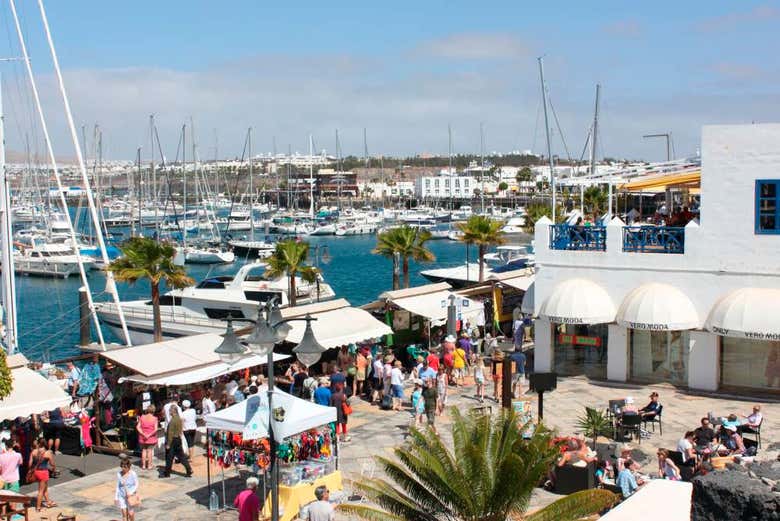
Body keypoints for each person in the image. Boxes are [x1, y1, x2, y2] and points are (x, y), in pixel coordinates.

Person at [162, 407, 192, 478]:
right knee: (181, 456)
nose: (169, 412)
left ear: (173, 412)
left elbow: (170, 433)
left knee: (169, 457)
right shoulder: (179, 419)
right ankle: (189, 469)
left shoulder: (172, 421)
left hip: (173, 440)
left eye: (170, 411)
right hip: (178, 439)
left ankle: (167, 473)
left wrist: (168, 444)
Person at [29, 438, 56, 511]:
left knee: (45, 488)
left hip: (36, 472)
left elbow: (29, 464)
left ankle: (48, 502)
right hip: (43, 472)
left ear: (38, 443)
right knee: (41, 490)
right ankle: (38, 507)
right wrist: (53, 469)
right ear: (45, 444)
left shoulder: (34, 451)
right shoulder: (48, 453)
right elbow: (52, 464)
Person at [136, 405, 159, 471]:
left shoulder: (142, 417)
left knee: (143, 450)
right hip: (151, 437)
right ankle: (149, 465)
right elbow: (155, 429)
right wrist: (149, 435)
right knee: (149, 451)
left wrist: (143, 434)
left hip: (142, 437)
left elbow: (138, 427)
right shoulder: (155, 418)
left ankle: (143, 465)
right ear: (153, 410)